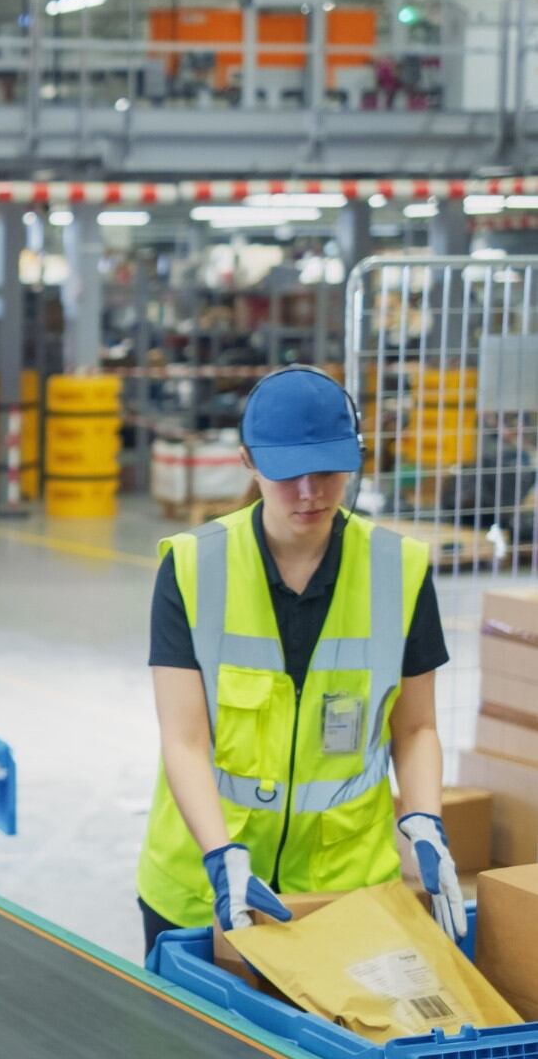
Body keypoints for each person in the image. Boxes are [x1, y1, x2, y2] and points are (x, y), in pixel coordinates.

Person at [139, 366, 462, 954]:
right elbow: (184, 739)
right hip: (200, 888)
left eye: (328, 469)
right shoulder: (192, 567)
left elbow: (414, 727)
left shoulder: (399, 570)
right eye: (289, 473)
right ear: (248, 461)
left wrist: (425, 821)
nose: (310, 491)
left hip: (344, 892)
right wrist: (220, 855)